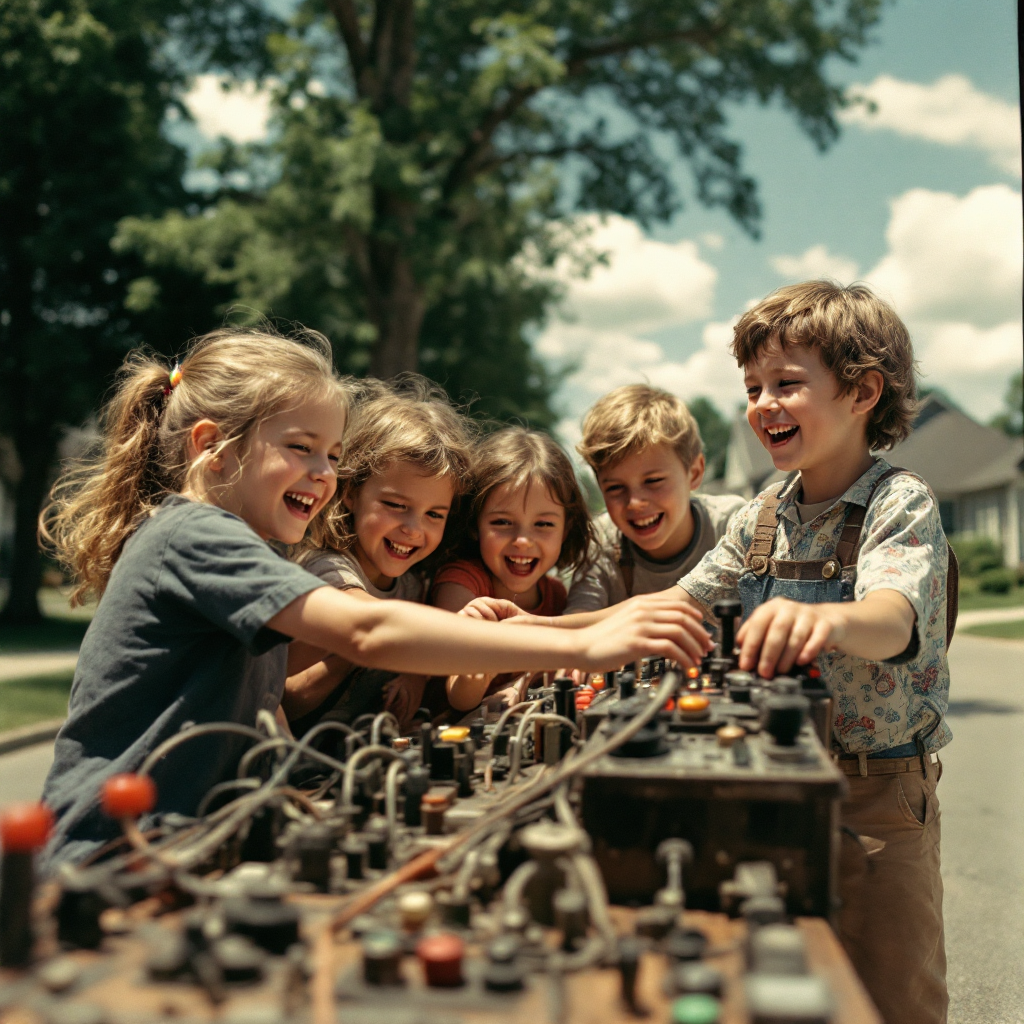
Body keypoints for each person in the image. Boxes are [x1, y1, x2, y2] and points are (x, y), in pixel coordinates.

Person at [39, 327, 710, 866]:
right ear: (213, 447)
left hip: (185, 848)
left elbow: (257, 708)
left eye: (331, 454)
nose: (323, 474)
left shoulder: (247, 549)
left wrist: (612, 617)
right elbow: (366, 632)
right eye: (301, 448)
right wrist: (592, 644)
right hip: (107, 859)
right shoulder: (193, 535)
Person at [678, 281, 952, 1024]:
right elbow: (679, 607)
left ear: (863, 392)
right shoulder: (763, 512)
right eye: (753, 386)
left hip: (877, 797)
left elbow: (892, 618)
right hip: (769, 784)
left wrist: (823, 622)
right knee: (771, 985)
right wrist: (549, 635)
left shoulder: (899, 502)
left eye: (787, 384)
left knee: (893, 995)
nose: (763, 402)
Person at [283, 376, 474, 734]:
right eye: (396, 505)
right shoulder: (329, 570)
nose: (414, 529)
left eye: (434, 514)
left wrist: (413, 679)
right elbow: (289, 699)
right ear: (351, 492)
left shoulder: (412, 584)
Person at [431, 427, 594, 713]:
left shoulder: (556, 595)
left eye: (543, 524)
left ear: (566, 529)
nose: (523, 541)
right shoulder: (460, 584)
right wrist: (478, 670)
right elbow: (459, 697)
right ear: (474, 524)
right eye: (502, 523)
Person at [566, 384, 744, 613]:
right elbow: (579, 620)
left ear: (695, 473)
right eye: (615, 488)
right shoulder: (601, 543)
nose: (635, 502)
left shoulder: (731, 525)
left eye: (653, 481)